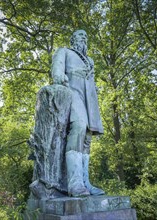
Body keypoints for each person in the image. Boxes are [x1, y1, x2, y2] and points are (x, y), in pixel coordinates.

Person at [51, 30, 105, 197]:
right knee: (79, 127)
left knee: (87, 137)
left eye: (85, 35)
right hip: (72, 91)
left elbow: (91, 79)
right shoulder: (64, 51)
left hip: (90, 98)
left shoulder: (90, 60)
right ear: (73, 38)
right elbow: (57, 69)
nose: (84, 37)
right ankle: (74, 184)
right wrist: (59, 77)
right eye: (80, 35)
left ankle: (85, 183)